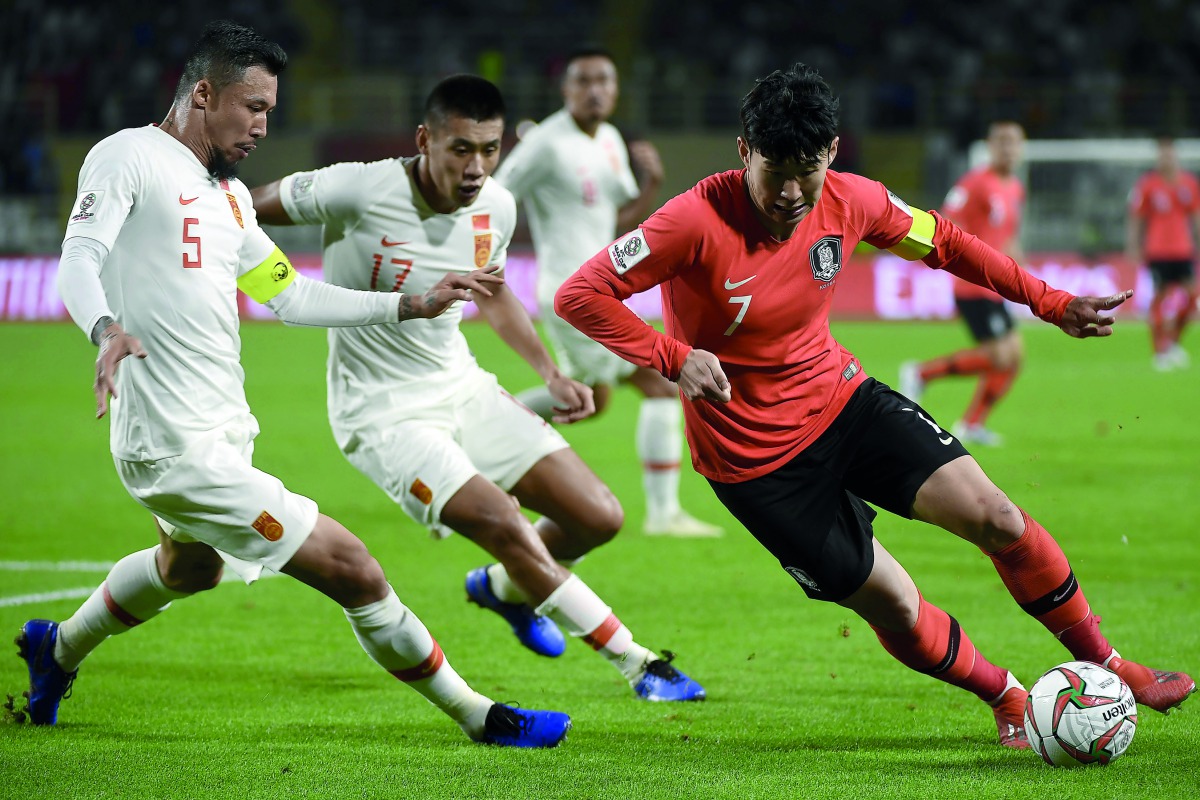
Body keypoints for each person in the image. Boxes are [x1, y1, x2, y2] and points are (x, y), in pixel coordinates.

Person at [556, 63, 1194, 749]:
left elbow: (945, 242)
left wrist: (1050, 300)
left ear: (832, 153)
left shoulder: (852, 200)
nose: (794, 193)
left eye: (810, 169)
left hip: (842, 403)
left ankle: (1109, 664)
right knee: (892, 601)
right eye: (777, 172)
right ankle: (1005, 697)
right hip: (756, 465)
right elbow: (578, 295)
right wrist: (674, 357)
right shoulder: (691, 220)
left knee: (998, 517)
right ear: (745, 152)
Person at [14, 21, 571, 748]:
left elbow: (293, 298)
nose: (261, 126)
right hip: (173, 446)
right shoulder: (130, 157)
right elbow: (79, 258)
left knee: (187, 569)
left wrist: (411, 302)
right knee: (354, 567)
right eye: (252, 107)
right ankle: (481, 716)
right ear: (204, 93)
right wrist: (104, 331)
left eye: (271, 111)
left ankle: (54, 650)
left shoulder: (232, 198)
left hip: (220, 432)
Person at [249, 75, 705, 703]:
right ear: (424, 140)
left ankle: (502, 589)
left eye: (489, 149)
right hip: (384, 416)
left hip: (463, 387)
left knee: (596, 517)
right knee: (506, 523)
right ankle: (640, 665)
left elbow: (493, 293)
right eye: (461, 148)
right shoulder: (359, 186)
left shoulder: (498, 205)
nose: (477, 166)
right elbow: (240, 210)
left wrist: (549, 372)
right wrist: (277, 284)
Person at [493, 47, 721, 537]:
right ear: (567, 89)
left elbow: (610, 221)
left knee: (589, 401)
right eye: (585, 81)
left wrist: (651, 184)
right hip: (569, 293)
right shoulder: (546, 144)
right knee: (661, 384)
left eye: (605, 81)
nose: (596, 90)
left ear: (615, 90)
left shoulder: (612, 139)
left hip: (599, 290)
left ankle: (486, 423)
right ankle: (663, 515)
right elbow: (494, 197)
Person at [899, 121, 1027, 446]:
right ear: (989, 146)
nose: (1008, 149)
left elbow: (1007, 236)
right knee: (1000, 356)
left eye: (1013, 142)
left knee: (1015, 356)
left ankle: (972, 424)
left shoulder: (1013, 188)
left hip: (996, 285)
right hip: (973, 284)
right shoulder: (974, 183)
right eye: (1002, 142)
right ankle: (920, 374)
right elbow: (947, 218)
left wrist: (1020, 272)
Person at [1126, 136, 1200, 370]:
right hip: (1157, 251)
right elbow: (1137, 217)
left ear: (1175, 156)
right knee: (1159, 298)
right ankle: (1159, 351)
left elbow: (1196, 217)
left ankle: (1173, 343)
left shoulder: (1188, 183)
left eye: (1169, 153)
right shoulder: (1148, 184)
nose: (1165, 158)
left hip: (1183, 250)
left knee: (1193, 298)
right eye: (1161, 154)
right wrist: (1134, 246)